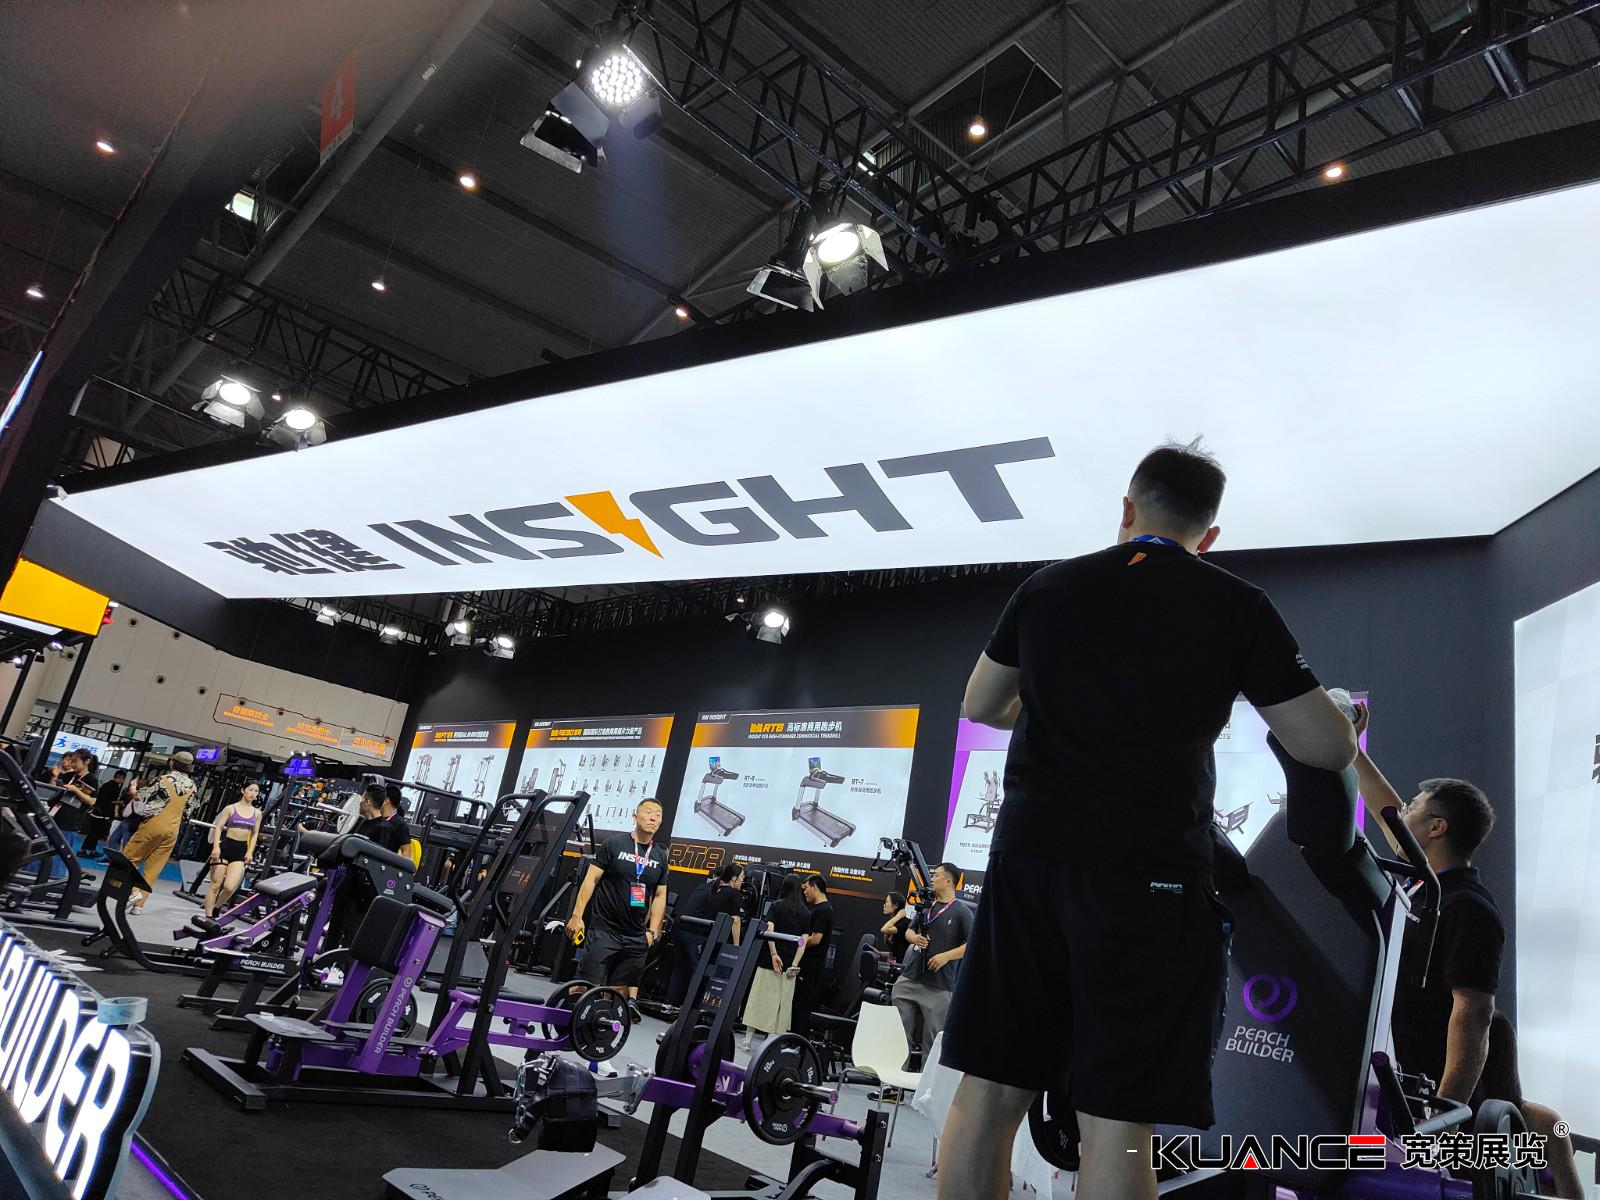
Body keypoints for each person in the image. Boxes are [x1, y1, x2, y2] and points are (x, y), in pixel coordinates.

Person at [937, 441, 1358, 1200]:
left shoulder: (1046, 587)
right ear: (1210, 535)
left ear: (1127, 509)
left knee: (991, 1088)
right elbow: (1325, 747)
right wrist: (1336, 713)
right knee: (1117, 1117)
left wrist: (1067, 706)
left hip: (1030, 862)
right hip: (1151, 877)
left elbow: (982, 705)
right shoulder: (1236, 603)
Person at [1349, 715, 1585, 1200]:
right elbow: (1388, 815)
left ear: (1436, 828)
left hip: (1444, 1093)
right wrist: (1346, 746)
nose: (1401, 814)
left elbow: (1473, 1013)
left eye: (1413, 809)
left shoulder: (1467, 908)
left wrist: (1445, 1110)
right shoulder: (1429, 887)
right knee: (1545, 1125)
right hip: (1420, 1078)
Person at [565, 798, 669, 1008]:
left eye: (658, 815)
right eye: (648, 812)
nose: (653, 818)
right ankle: (565, 1016)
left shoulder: (660, 856)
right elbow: (591, 880)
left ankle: (600, 1026)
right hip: (604, 930)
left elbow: (659, 896)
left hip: (636, 935)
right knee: (585, 986)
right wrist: (577, 916)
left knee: (618, 994)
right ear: (635, 816)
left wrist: (652, 932)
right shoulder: (614, 844)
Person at [891, 863, 973, 1072]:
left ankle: (925, 1087)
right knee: (898, 1036)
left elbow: (972, 944)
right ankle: (892, 1081)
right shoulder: (927, 907)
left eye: (936, 875)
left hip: (939, 986)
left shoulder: (962, 912)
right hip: (910, 978)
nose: (932, 879)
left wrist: (946, 956)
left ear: (948, 881)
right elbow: (909, 931)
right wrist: (915, 938)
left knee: (933, 1042)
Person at [739, 873, 809, 1052]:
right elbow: (803, 941)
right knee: (781, 1006)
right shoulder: (805, 913)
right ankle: (769, 1045)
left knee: (758, 999)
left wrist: (773, 953)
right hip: (789, 966)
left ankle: (747, 1041)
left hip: (769, 961)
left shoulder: (777, 906)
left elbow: (769, 930)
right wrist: (795, 963)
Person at [122, 751, 197, 915]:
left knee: (128, 859)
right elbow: (189, 812)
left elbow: (140, 798)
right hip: (173, 829)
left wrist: (133, 790)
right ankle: (139, 906)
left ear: (172, 763)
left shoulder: (162, 780)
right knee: (154, 868)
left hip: (153, 824)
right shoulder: (192, 786)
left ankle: (133, 891)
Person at [670, 861, 745, 1007]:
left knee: (682, 967)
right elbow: (735, 921)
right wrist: (736, 947)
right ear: (733, 878)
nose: (743, 881)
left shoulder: (710, 889)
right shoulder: (729, 893)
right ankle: (691, 1006)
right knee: (698, 970)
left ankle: (673, 1003)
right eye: (742, 877)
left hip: (682, 928)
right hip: (695, 933)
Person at [204, 781, 261, 918]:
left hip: (241, 850)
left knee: (229, 887)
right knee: (215, 884)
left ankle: (217, 907)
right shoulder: (230, 809)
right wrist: (216, 847)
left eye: (256, 791)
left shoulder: (257, 813)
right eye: (250, 790)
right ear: (243, 790)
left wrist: (250, 852)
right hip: (225, 847)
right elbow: (218, 827)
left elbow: (255, 834)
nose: (253, 793)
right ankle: (208, 916)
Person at [792, 874, 834, 1037]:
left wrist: (797, 943)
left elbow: (816, 939)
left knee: (803, 1003)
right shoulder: (817, 908)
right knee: (797, 1001)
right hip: (805, 963)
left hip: (811, 965)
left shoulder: (824, 910)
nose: (804, 892)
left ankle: (799, 1040)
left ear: (814, 887)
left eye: (807, 888)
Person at [80, 768, 126, 858]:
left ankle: (90, 850)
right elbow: (110, 800)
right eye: (123, 779)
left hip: (97, 811)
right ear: (120, 777)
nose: (122, 781)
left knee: (93, 832)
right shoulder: (115, 787)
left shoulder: (106, 784)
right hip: (103, 814)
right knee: (95, 833)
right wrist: (119, 802)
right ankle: (85, 850)